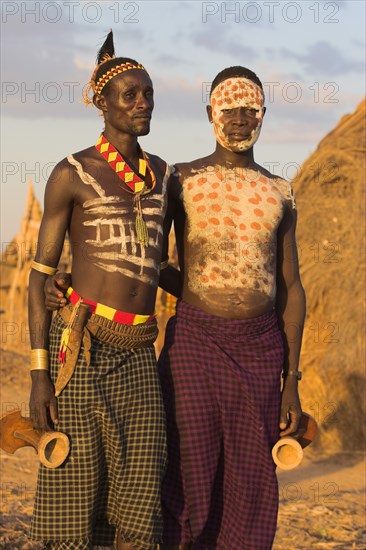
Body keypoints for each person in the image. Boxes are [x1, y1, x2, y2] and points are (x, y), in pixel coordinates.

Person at [45, 66, 305, 550]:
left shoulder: (280, 192)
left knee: (252, 478)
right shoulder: (180, 180)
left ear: (264, 115)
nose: (240, 119)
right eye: (230, 109)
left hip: (261, 349)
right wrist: (73, 280)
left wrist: (292, 380)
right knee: (187, 470)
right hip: (195, 342)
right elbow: (146, 256)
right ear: (210, 113)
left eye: (251, 110)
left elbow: (291, 286)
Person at [28, 31, 169, 550]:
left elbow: (161, 264)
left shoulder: (164, 178)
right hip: (83, 346)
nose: (142, 102)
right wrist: (40, 375)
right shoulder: (73, 173)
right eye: (129, 94)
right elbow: (39, 276)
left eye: (149, 92)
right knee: (74, 478)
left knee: (140, 483)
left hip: (140, 352)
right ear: (101, 102)